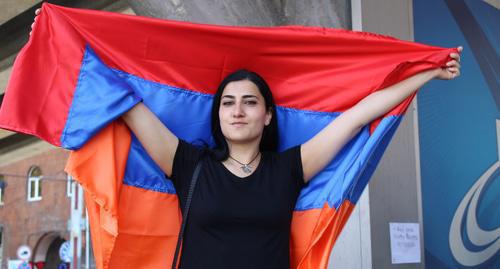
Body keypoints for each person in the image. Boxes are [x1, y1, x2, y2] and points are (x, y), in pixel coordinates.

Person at [31, 8, 462, 269]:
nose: (237, 110)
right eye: (227, 102)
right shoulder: (188, 165)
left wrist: (429, 71)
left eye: (250, 102)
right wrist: (59, 38)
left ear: (268, 115)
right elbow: (122, 99)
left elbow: (358, 115)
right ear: (217, 116)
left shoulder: (290, 168)